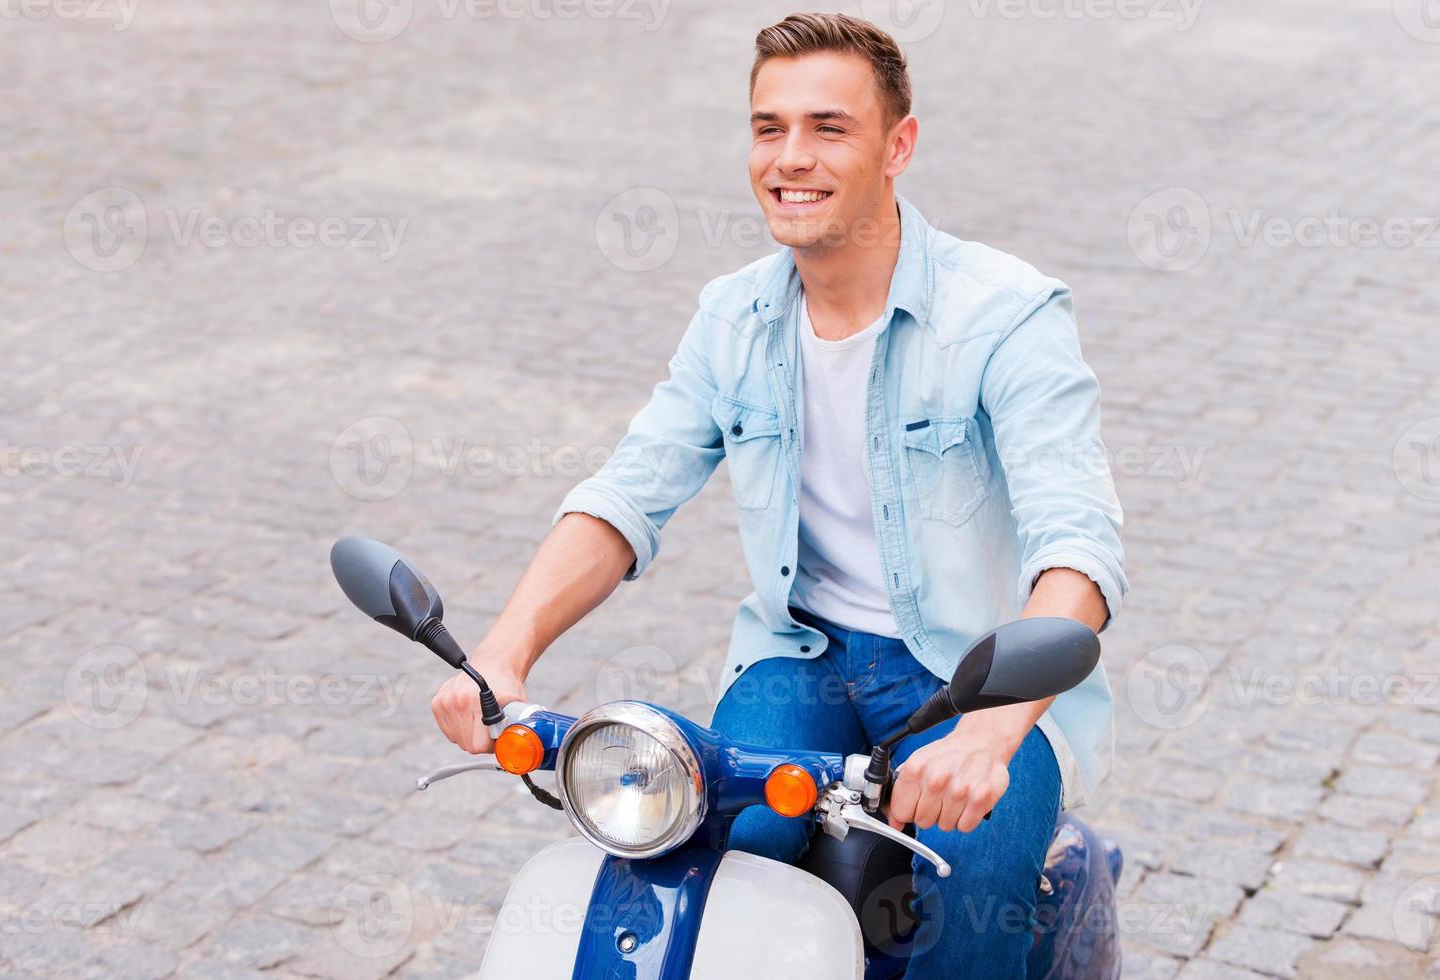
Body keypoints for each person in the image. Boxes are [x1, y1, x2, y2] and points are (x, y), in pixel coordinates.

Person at [430, 12, 1127, 975]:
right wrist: (501, 655)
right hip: (798, 659)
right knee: (706, 850)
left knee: (970, 880)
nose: (789, 158)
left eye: (828, 127)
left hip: (972, 677)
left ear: (898, 145)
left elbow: (1077, 547)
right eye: (769, 127)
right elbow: (629, 494)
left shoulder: (1004, 315)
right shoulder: (735, 317)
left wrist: (989, 734)